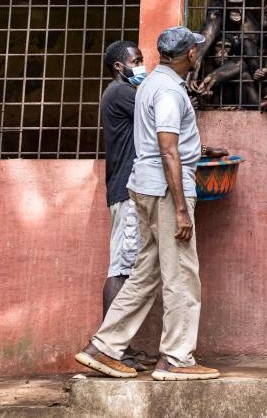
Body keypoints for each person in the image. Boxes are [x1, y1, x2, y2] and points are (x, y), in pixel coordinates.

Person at [77, 27, 228, 380]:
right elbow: (168, 148)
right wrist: (180, 207)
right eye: (196, 50)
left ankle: (104, 346)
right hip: (164, 190)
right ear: (190, 55)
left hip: (142, 186)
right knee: (181, 274)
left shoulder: (148, 85)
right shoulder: (169, 93)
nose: (197, 54)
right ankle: (176, 358)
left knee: (145, 271)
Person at [98, 40, 156, 371]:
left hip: (126, 189)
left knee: (127, 267)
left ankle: (123, 348)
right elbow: (155, 114)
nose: (141, 65)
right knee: (121, 270)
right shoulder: (121, 93)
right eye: (136, 61)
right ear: (120, 67)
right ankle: (110, 349)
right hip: (126, 191)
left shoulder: (119, 93)